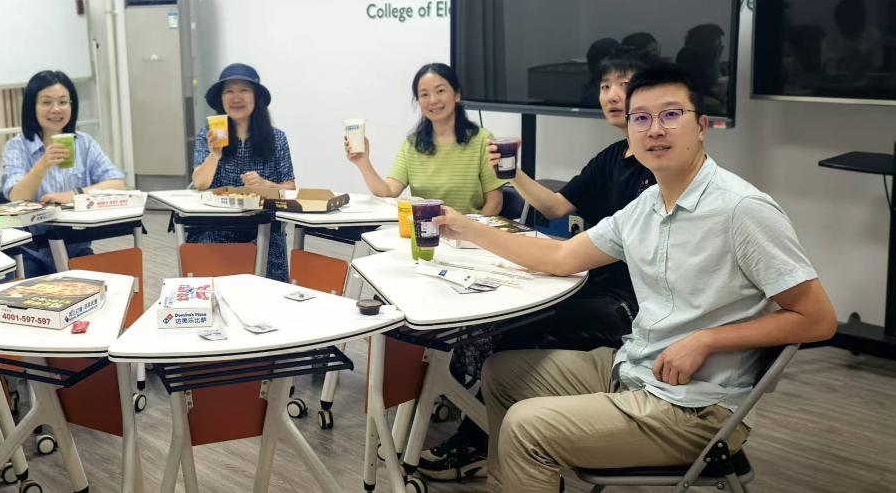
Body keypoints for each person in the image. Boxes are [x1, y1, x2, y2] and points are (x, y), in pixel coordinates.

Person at [432, 64, 837, 493]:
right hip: (636, 368)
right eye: (641, 118)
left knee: (525, 425)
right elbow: (562, 257)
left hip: (697, 406)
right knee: (501, 373)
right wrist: (468, 229)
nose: (654, 129)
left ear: (701, 126)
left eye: (671, 114)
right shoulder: (647, 205)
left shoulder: (742, 209)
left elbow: (817, 319)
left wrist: (707, 340)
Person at [418, 46, 652, 481]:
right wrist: (514, 175)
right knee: (507, 319)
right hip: (592, 283)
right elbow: (556, 206)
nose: (612, 94)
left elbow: (568, 256)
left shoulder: (654, 170)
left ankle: (483, 440)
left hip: (627, 305)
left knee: (516, 328)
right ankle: (494, 433)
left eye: (624, 84)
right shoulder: (613, 156)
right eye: (605, 85)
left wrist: (474, 230)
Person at [1, 70, 126, 277]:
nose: (56, 109)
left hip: (76, 245)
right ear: (32, 106)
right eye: (46, 102)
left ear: (71, 105)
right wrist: (41, 166)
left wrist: (74, 194)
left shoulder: (84, 143)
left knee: (97, 286)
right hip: (31, 250)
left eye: (63, 102)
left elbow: (117, 183)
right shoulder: (16, 146)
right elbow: (16, 196)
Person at [345, 62, 504, 215]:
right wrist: (363, 162)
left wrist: (468, 230)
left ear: (457, 94)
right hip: (425, 230)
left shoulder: (482, 140)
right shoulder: (412, 144)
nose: (433, 100)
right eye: (424, 94)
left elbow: (495, 202)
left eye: (440, 91)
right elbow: (388, 192)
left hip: (469, 231)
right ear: (418, 101)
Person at [190, 63, 295, 282]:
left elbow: (290, 188)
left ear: (256, 97)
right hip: (216, 229)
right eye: (229, 91)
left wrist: (266, 185)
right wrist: (214, 155)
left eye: (244, 90)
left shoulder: (277, 138)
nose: (236, 97)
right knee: (214, 289)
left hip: (264, 231)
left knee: (269, 291)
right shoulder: (208, 134)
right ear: (221, 99)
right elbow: (200, 183)